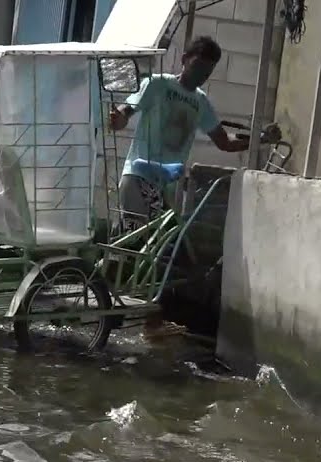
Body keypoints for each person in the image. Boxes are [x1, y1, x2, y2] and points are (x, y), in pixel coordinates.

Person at [107, 35, 249, 340]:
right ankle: (141, 316)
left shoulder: (200, 103)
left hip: (167, 186)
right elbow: (125, 112)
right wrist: (117, 119)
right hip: (139, 177)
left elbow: (224, 143)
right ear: (184, 59)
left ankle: (138, 315)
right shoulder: (157, 84)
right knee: (151, 249)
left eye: (207, 72)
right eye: (197, 66)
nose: (200, 75)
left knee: (160, 252)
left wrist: (261, 138)